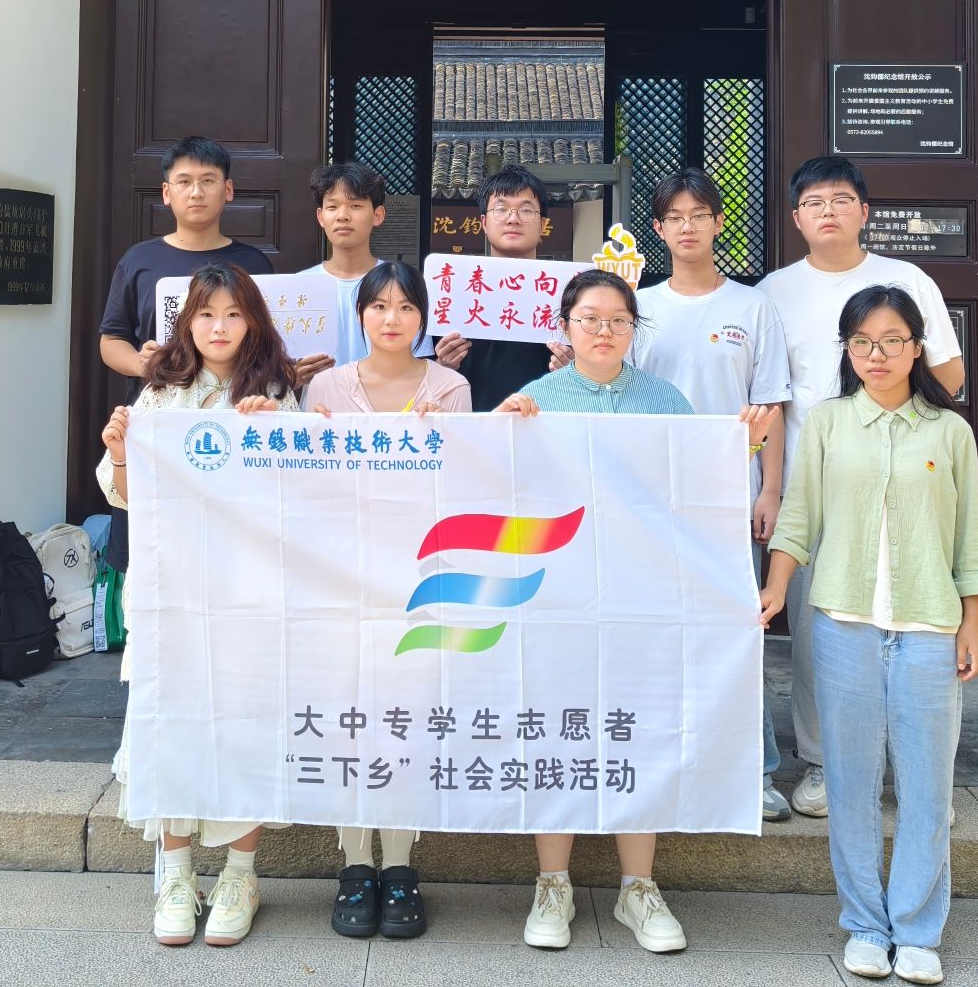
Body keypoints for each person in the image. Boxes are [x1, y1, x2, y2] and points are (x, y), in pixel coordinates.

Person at [757, 284, 978, 985]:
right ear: (848, 351)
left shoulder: (949, 432)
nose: (877, 354)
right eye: (862, 342)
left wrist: (973, 622)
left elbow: (971, 537)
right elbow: (798, 518)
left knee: (927, 786)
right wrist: (776, 587)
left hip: (929, 627)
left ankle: (918, 931)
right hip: (843, 625)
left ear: (917, 348)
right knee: (851, 784)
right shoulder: (828, 423)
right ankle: (865, 923)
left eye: (892, 340)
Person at [98, 262, 300, 948]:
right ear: (187, 322)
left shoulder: (278, 392)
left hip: (249, 589)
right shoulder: (160, 393)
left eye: (233, 314)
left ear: (253, 322)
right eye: (207, 314)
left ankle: (242, 874)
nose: (219, 327)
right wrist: (120, 451)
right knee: (170, 719)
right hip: (173, 588)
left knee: (248, 721)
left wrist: (275, 435)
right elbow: (127, 496)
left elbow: (302, 495)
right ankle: (177, 874)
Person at [757, 156, 964, 821]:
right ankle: (825, 765)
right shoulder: (773, 292)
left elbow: (950, 376)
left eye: (841, 200)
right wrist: (773, 489)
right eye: (814, 202)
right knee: (821, 636)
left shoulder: (906, 280)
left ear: (865, 212)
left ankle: (918, 772)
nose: (829, 212)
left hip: (904, 483)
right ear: (796, 218)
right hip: (818, 488)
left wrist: (884, 406)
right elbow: (769, 398)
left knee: (916, 627)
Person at [497, 269, 694, 955]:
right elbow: (498, 491)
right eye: (589, 319)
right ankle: (553, 883)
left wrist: (746, 445)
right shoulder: (535, 399)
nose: (604, 331)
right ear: (565, 327)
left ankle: (638, 887)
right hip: (558, 596)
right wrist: (500, 433)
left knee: (637, 730)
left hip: (644, 597)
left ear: (635, 329)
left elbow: (697, 492)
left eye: (618, 320)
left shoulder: (667, 402)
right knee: (556, 731)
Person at [302, 260, 470, 941]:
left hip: (418, 578)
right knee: (348, 714)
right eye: (379, 306)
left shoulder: (450, 386)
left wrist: (438, 440)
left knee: (403, 715)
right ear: (361, 315)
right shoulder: (324, 387)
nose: (392, 318)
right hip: (341, 575)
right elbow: (305, 486)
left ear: (423, 317)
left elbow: (463, 484)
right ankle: (353, 866)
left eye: (405, 306)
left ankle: (400, 866)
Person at [630, 168, 794, 820]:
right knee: (657, 634)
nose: (688, 227)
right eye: (675, 217)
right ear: (658, 228)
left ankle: (755, 771)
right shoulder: (638, 309)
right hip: (653, 501)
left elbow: (770, 405)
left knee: (737, 634)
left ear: (719, 223)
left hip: (731, 497)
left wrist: (771, 490)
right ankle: (662, 762)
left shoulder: (752, 307)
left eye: (699, 214)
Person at [99, 136, 274, 393]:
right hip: (158, 406)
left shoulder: (254, 264)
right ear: (166, 192)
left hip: (237, 405)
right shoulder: (137, 261)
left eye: (208, 181)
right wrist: (143, 364)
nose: (196, 192)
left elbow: (267, 340)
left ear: (228, 190)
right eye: (184, 182)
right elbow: (112, 340)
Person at [292, 161, 430, 379]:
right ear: (321, 217)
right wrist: (293, 377)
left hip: (387, 401)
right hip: (318, 401)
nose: (343, 216)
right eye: (332, 207)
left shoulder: (403, 284)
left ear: (378, 215)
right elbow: (274, 372)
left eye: (355, 206)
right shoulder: (297, 288)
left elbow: (420, 367)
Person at [436, 165, 557, 409]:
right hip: (472, 422)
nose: (513, 219)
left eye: (526, 210)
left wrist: (574, 369)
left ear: (543, 224)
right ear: (484, 222)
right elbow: (420, 376)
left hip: (543, 421)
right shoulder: (451, 285)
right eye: (501, 209)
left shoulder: (568, 291)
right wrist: (442, 366)